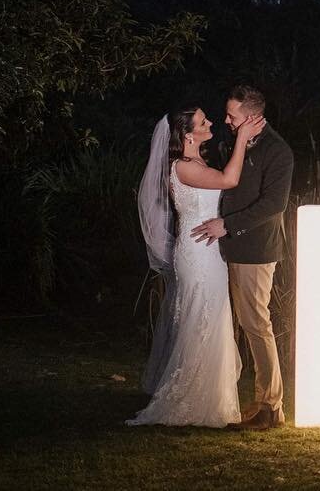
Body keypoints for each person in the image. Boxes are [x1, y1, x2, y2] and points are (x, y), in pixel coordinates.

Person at [128, 106, 265, 427]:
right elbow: (230, 179)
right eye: (204, 122)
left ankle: (213, 396)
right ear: (188, 135)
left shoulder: (196, 163)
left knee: (211, 317)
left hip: (207, 251)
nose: (211, 122)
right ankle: (190, 397)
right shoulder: (183, 167)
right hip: (198, 253)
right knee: (200, 319)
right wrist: (242, 137)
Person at [190, 84, 294, 431]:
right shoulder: (234, 143)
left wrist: (228, 225)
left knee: (255, 323)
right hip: (234, 247)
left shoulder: (277, 151)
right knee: (248, 324)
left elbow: (273, 205)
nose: (226, 120)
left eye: (232, 115)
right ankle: (262, 401)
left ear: (250, 117)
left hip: (255, 249)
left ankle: (271, 406)